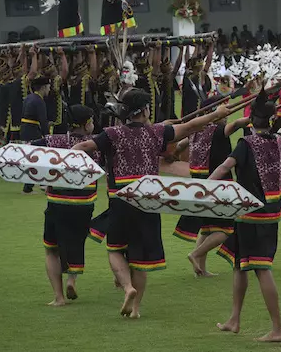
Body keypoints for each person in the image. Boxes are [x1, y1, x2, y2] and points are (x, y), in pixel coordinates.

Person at [73, 88, 234, 318]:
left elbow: (84, 147)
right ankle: (136, 309)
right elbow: (189, 127)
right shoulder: (156, 132)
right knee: (140, 259)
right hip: (148, 201)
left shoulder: (111, 134)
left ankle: (127, 287)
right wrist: (215, 115)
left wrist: (70, 159)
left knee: (115, 250)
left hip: (120, 199)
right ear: (145, 110)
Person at [210, 93, 281, 342]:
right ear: (272, 119)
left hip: (252, 215)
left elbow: (224, 167)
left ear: (250, 121)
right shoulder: (277, 141)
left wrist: (201, 189)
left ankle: (277, 329)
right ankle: (234, 319)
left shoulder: (246, 144)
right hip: (267, 214)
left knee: (261, 269)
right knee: (240, 266)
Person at [171, 95, 250, 276]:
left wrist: (173, 154)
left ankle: (201, 270)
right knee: (226, 228)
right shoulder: (219, 129)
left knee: (207, 228)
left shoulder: (195, 131)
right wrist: (254, 116)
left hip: (199, 183)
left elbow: (181, 144)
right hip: (218, 184)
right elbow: (238, 124)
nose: (227, 113)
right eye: (224, 110)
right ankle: (195, 254)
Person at [31, 105, 99, 306]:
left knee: (52, 249)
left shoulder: (54, 140)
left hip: (57, 201)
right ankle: (71, 279)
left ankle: (58, 297)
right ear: (87, 124)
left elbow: (30, 148)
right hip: (84, 203)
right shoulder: (95, 144)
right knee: (76, 241)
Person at [20, 75, 51, 194]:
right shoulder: (39, 100)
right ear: (43, 88)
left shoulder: (28, 98)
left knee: (33, 159)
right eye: (48, 87)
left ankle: (36, 185)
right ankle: (33, 186)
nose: (49, 89)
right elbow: (43, 121)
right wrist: (47, 136)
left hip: (25, 130)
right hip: (33, 130)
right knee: (38, 158)